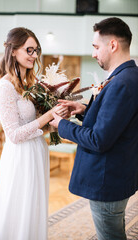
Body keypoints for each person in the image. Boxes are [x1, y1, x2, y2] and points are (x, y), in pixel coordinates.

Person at [50, 17, 138, 240]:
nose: (93, 53)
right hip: (117, 174)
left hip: (107, 180)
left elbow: (99, 139)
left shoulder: (121, 83)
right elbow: (115, 122)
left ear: (113, 45)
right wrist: (81, 109)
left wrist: (62, 125)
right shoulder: (126, 76)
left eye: (96, 47)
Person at [0, 27, 64, 240]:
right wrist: (48, 115)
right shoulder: (5, 87)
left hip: (37, 151)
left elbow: (34, 125)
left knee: (33, 209)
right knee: (19, 210)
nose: (35, 56)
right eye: (29, 50)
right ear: (13, 51)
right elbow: (14, 134)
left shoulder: (30, 84)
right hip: (20, 157)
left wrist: (56, 122)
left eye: (36, 50)